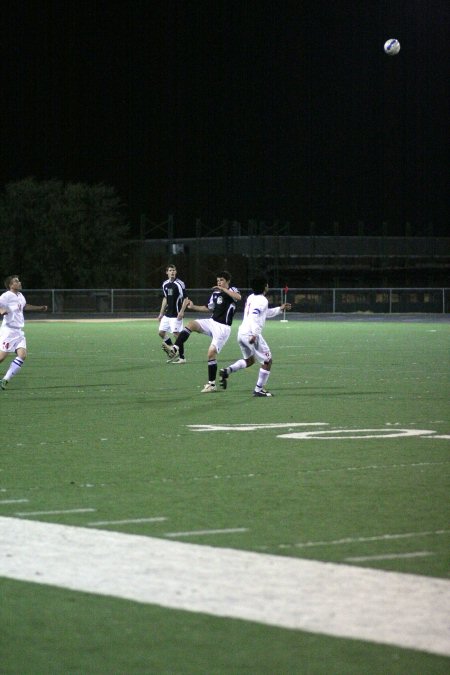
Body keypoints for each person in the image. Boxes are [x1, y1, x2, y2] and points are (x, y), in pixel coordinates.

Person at [167, 271, 241, 392]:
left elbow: (238, 297)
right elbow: (208, 308)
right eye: (218, 280)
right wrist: (193, 306)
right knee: (191, 324)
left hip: (223, 328)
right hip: (212, 322)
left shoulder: (233, 290)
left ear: (228, 281)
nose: (219, 283)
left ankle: (211, 384)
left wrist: (224, 289)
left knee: (211, 354)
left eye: (221, 280)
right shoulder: (215, 293)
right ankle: (175, 348)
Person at [219, 277, 291, 397]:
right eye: (266, 284)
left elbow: (264, 313)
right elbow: (255, 316)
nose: (268, 286)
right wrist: (255, 334)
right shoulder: (262, 300)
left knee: (250, 360)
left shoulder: (251, 297)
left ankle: (227, 371)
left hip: (241, 333)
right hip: (250, 334)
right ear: (264, 287)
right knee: (268, 361)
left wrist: (280, 309)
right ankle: (258, 389)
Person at [0, 275, 48, 390]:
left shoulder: (20, 295)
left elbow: (24, 306)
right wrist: (1, 310)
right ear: (11, 285)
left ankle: (5, 380)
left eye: (18, 281)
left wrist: (39, 308)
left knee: (22, 355)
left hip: (19, 332)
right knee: (1, 358)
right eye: (16, 281)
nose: (19, 282)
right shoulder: (6, 296)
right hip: (9, 332)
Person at [158, 264, 190, 364]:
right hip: (167, 315)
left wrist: (182, 312)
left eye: (174, 270)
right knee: (161, 333)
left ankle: (182, 357)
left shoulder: (179, 283)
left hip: (176, 315)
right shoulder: (165, 284)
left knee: (177, 335)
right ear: (167, 272)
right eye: (170, 270)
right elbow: (165, 298)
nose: (172, 272)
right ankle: (172, 350)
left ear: (176, 272)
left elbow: (186, 299)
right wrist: (161, 313)